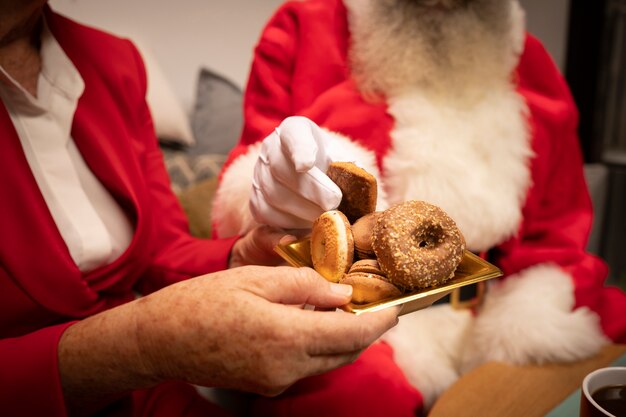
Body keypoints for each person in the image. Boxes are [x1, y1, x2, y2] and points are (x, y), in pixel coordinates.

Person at [212, 0, 626, 415]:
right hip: (356, 314)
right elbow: (249, 193)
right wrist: (283, 192)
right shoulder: (306, 25)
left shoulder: (526, 56)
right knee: (350, 395)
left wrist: (534, 306)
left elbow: (559, 228)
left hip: (495, 303)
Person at [0, 2, 403, 416]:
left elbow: (161, 250)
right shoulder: (304, 21)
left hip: (153, 394)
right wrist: (144, 343)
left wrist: (239, 255)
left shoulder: (113, 60)